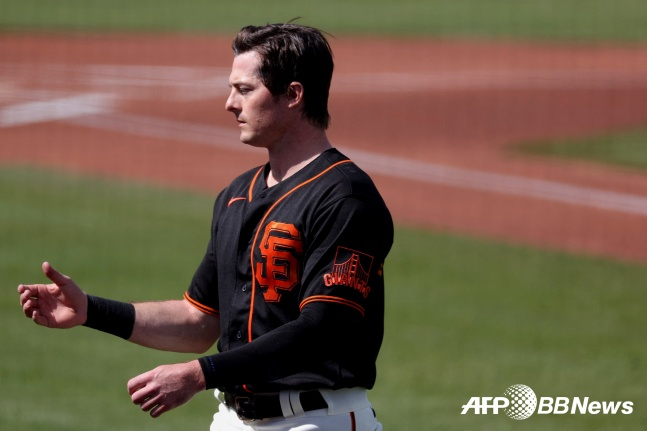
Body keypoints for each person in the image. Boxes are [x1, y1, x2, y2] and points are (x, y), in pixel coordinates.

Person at [18, 22, 393, 431]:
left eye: (244, 90)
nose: (230, 103)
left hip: (317, 419)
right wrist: (91, 310)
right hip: (232, 419)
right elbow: (199, 320)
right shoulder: (236, 195)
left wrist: (201, 374)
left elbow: (320, 329)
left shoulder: (344, 197)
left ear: (293, 95)